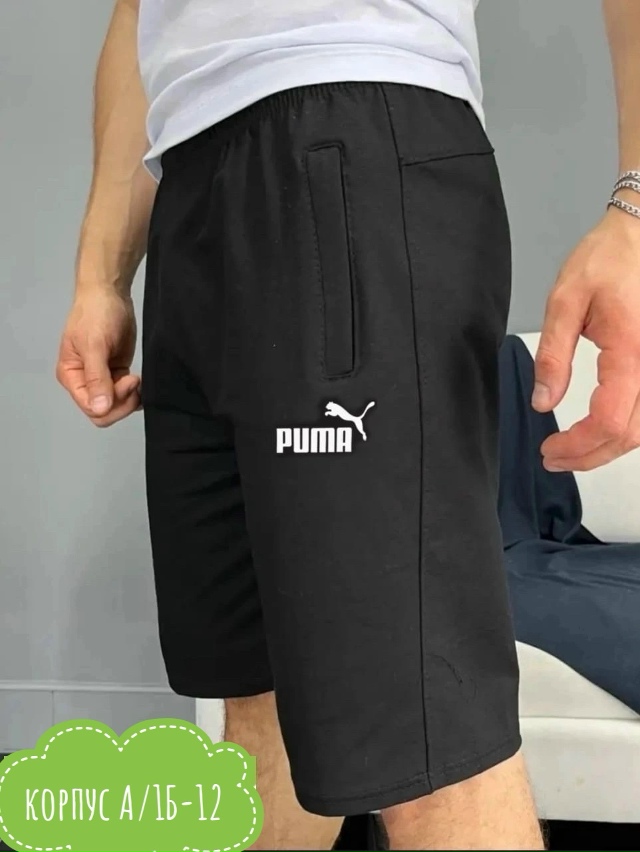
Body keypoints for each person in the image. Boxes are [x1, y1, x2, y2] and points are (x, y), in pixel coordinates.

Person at [55, 1, 640, 848]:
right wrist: (101, 275)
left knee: (428, 742)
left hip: (351, 143)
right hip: (192, 188)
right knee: (256, 703)